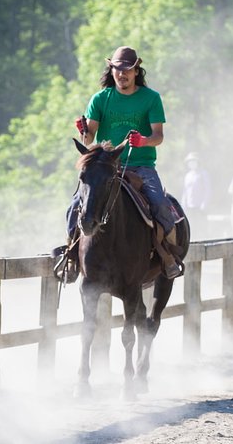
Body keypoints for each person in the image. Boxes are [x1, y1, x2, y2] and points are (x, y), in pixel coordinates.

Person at [55, 46, 182, 281]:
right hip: (105, 167)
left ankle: (168, 256)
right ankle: (71, 255)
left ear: (136, 71)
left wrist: (143, 141)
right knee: (74, 207)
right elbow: (89, 137)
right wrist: (83, 130)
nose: (122, 75)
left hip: (141, 166)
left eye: (127, 70)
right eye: (117, 70)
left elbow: (159, 136)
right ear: (111, 70)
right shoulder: (101, 99)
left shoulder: (151, 98)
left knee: (161, 205)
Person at [181, 152, 211, 239]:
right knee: (192, 227)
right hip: (190, 207)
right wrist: (183, 206)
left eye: (193, 161)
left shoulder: (203, 174)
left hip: (200, 207)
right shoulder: (188, 176)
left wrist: (204, 204)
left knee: (202, 227)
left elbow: (207, 190)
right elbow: (185, 192)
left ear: (198, 162)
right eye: (190, 161)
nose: (192, 163)